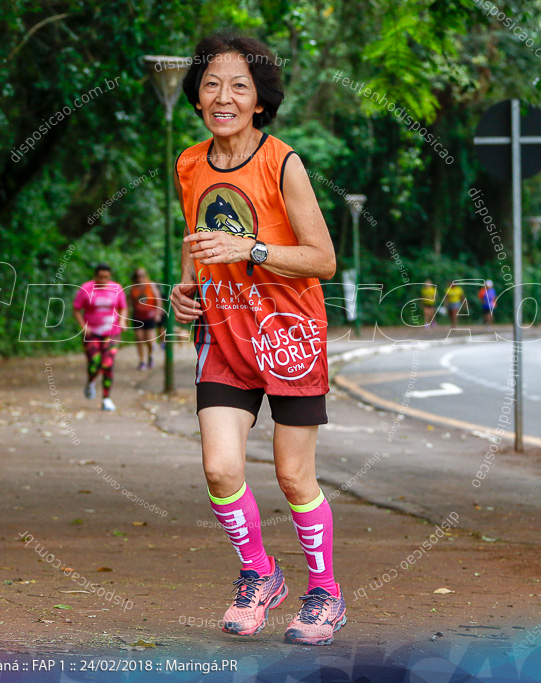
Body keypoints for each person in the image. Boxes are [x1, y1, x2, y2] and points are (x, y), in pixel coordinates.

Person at [170, 31, 344, 646]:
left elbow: (322, 259)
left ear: (259, 102)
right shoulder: (189, 164)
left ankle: (324, 593)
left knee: (295, 477)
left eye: (239, 86)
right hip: (223, 336)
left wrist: (254, 249)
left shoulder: (283, 163)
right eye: (212, 84)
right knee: (220, 469)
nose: (224, 96)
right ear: (196, 97)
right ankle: (259, 574)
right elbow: (197, 240)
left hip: (288, 336)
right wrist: (186, 287)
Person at [72, 264, 126, 411]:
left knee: (108, 364)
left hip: (111, 332)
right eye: (100, 277)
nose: (103, 280)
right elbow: (76, 309)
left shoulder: (117, 288)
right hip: (92, 333)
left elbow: (123, 307)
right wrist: (83, 326)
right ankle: (90, 381)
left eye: (106, 277)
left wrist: (122, 320)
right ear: (95, 276)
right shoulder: (86, 289)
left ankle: (106, 399)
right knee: (95, 363)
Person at [129, 268, 164, 370]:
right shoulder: (133, 288)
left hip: (150, 316)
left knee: (149, 340)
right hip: (138, 316)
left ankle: (150, 356)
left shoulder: (150, 285)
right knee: (139, 338)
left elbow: (158, 300)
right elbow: (131, 302)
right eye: (138, 276)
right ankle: (142, 360)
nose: (140, 278)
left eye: (142, 275)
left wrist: (158, 313)